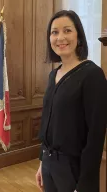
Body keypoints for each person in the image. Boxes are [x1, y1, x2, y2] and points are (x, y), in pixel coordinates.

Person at [35, 10, 107, 192]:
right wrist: (42, 163)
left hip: (74, 169)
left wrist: (84, 184)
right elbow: (47, 123)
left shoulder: (92, 75)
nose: (60, 38)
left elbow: (95, 136)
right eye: (54, 32)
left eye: (67, 30)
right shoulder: (53, 74)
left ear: (79, 36)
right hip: (50, 164)